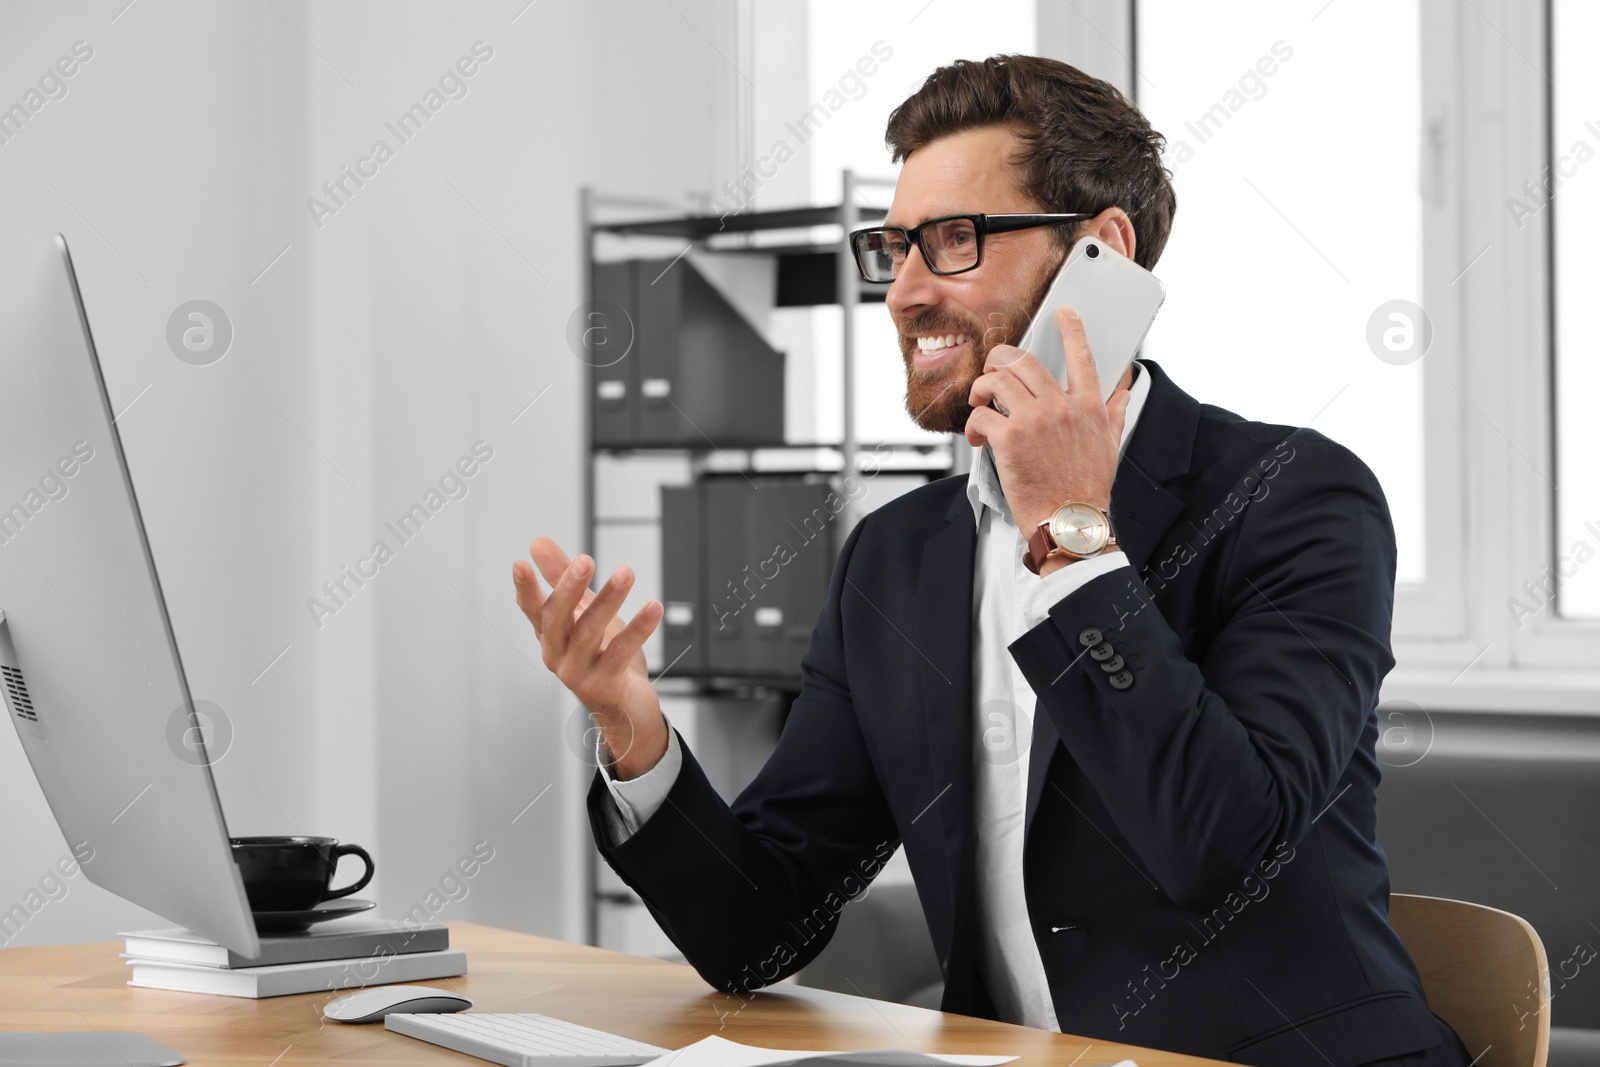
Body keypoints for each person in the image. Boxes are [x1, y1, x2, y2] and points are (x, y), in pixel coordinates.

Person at [514, 54, 1471, 1067]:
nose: (904, 291)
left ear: (1100, 253)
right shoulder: (894, 554)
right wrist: (634, 728)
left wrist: (1067, 535)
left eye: (954, 240)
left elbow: (1216, 845)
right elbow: (759, 930)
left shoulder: (1295, 495)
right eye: (893, 248)